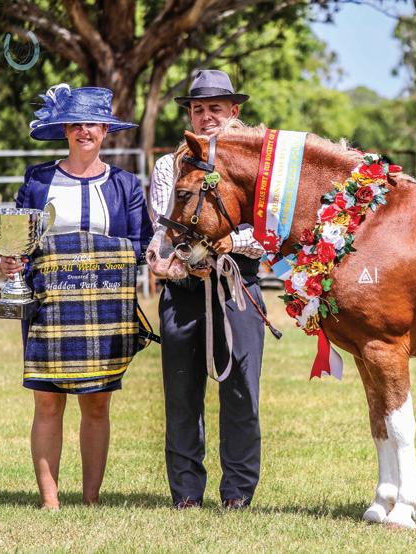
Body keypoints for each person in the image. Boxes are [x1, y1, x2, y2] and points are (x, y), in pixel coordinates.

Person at [0, 84, 153, 509]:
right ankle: (50, 502)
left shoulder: (125, 184)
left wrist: (95, 256)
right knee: (48, 402)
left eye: (93, 124)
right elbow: (19, 240)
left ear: (106, 131)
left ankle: (91, 499)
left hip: (105, 308)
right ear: (65, 130)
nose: (85, 131)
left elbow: (140, 245)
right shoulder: (38, 180)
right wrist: (12, 261)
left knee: (97, 404)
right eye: (76, 124)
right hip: (48, 306)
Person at [149, 69, 266, 509]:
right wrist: (180, 262)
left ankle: (238, 492)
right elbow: (162, 229)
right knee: (181, 395)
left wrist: (233, 242)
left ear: (234, 111)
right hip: (183, 291)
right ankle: (185, 492)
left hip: (237, 287)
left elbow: (269, 234)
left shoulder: (257, 166)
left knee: (241, 392)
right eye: (198, 109)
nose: (206, 117)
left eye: (215, 108)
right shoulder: (169, 165)